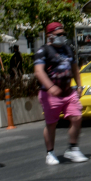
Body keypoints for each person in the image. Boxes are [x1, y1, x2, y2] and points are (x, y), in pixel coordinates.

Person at [35, 22, 87, 166]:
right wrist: (51, 87)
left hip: (68, 92)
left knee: (77, 117)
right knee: (52, 124)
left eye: (63, 34)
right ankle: (50, 153)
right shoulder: (43, 51)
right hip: (50, 95)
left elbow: (75, 69)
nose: (62, 36)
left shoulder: (68, 49)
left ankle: (73, 148)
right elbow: (38, 71)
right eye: (59, 34)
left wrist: (79, 86)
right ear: (49, 35)